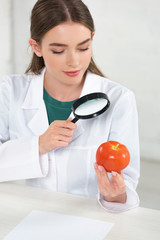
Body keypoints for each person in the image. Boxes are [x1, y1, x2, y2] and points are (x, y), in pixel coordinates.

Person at [0, 0, 140, 212]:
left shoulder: (120, 99)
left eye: (83, 48)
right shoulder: (9, 91)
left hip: (87, 221)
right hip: (19, 217)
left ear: (92, 39)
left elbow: (126, 180)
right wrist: (38, 145)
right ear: (36, 47)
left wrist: (117, 194)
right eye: (58, 51)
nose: (74, 61)